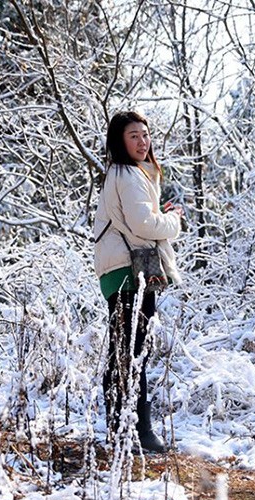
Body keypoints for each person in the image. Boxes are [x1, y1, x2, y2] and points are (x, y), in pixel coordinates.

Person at [93, 110, 183, 453]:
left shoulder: (126, 174)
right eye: (134, 136)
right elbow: (145, 225)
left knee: (124, 351)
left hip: (122, 271)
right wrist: (173, 221)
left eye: (145, 135)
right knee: (132, 352)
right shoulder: (127, 174)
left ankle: (122, 429)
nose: (142, 142)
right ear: (120, 141)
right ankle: (138, 432)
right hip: (128, 273)